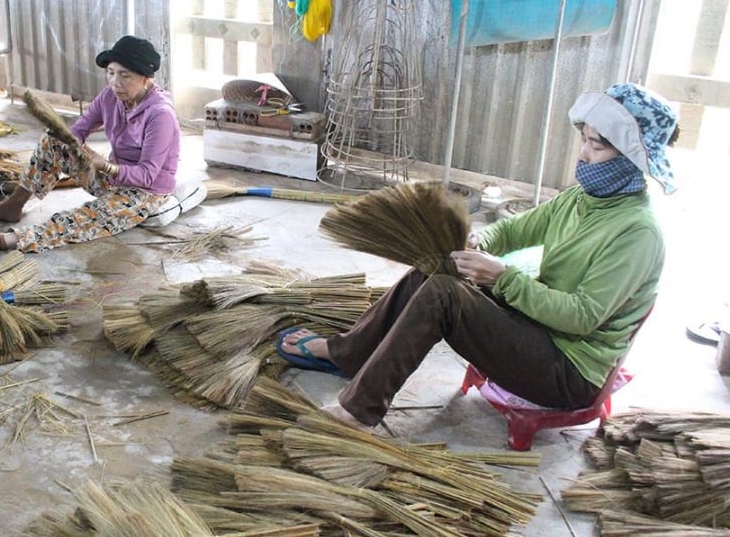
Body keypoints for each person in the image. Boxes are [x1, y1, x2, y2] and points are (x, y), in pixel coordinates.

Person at [277, 83, 679, 433]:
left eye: (597, 145)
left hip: (568, 370)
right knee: (437, 266)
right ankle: (349, 352)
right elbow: (514, 230)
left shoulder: (637, 233)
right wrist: (479, 242)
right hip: (542, 331)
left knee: (443, 296)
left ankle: (357, 414)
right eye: (584, 139)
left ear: (631, 159)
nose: (583, 155)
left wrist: (503, 278)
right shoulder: (580, 198)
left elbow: (581, 317)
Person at [0, 35, 179, 253]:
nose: (115, 82)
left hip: (144, 192)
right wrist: (69, 141)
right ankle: (15, 204)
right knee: (54, 141)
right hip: (111, 178)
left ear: (147, 80)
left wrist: (105, 166)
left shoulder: (160, 115)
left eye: (125, 75)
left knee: (85, 217)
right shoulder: (111, 96)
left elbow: (147, 175)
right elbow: (79, 129)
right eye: (110, 73)